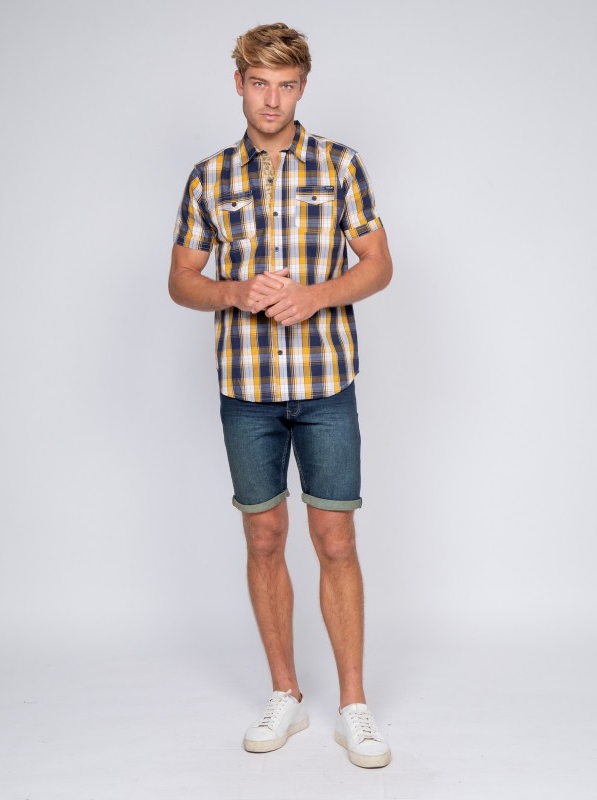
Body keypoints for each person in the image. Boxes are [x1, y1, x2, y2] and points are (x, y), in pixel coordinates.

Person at [169, 22, 393, 769]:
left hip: (326, 383)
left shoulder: (339, 164)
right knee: (263, 537)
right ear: (239, 83)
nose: (272, 100)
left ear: (302, 87)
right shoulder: (208, 177)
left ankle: (353, 707)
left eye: (286, 85)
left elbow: (379, 264)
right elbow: (181, 280)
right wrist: (233, 291)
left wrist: (315, 296)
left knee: (336, 540)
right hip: (247, 390)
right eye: (260, 84)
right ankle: (286, 695)